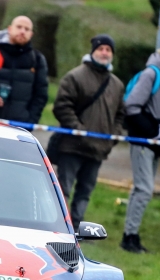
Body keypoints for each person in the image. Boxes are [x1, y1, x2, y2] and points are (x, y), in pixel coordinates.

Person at [119, 35, 160, 254]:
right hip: (143, 140)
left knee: (141, 189)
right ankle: (130, 237)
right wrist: (151, 131)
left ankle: (130, 233)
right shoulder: (151, 74)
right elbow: (131, 105)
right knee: (145, 189)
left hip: (158, 142)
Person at [52, 34, 125, 228]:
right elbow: (62, 107)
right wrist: (79, 131)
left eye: (108, 50)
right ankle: (60, 226)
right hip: (72, 146)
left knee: (85, 191)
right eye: (101, 49)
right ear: (93, 51)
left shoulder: (117, 85)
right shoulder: (75, 76)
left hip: (98, 150)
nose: (104, 53)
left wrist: (112, 138)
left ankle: (77, 227)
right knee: (63, 189)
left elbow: (120, 114)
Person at [0, 15, 48, 125]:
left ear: (31, 34)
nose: (22, 31)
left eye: (27, 29)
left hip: (20, 124)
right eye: (19, 27)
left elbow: (41, 94)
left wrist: (31, 121)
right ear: (10, 29)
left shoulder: (37, 59)